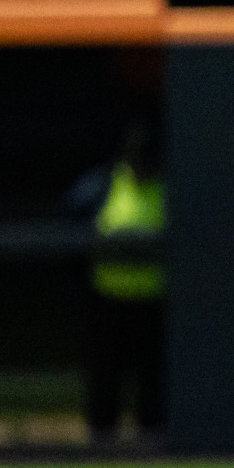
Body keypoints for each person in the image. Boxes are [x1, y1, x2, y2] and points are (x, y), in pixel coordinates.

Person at [67, 120, 166, 447]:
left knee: (152, 379)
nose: (140, 167)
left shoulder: (169, 190)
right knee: (105, 376)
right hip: (108, 300)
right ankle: (101, 443)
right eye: (135, 160)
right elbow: (71, 222)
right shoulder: (102, 186)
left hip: (153, 301)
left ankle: (152, 443)